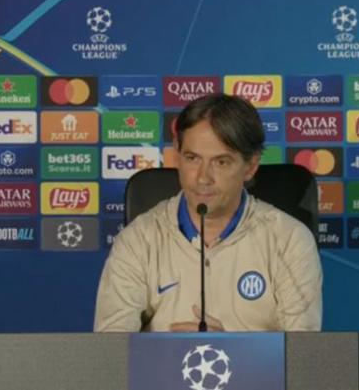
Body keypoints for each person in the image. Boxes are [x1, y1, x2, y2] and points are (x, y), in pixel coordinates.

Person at [94, 93, 322, 332]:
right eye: (192, 158)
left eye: (221, 162)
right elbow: (113, 347)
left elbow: (302, 351)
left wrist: (226, 348)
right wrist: (170, 350)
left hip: (251, 361)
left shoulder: (290, 240)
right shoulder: (138, 240)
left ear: (250, 166)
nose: (203, 178)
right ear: (177, 156)